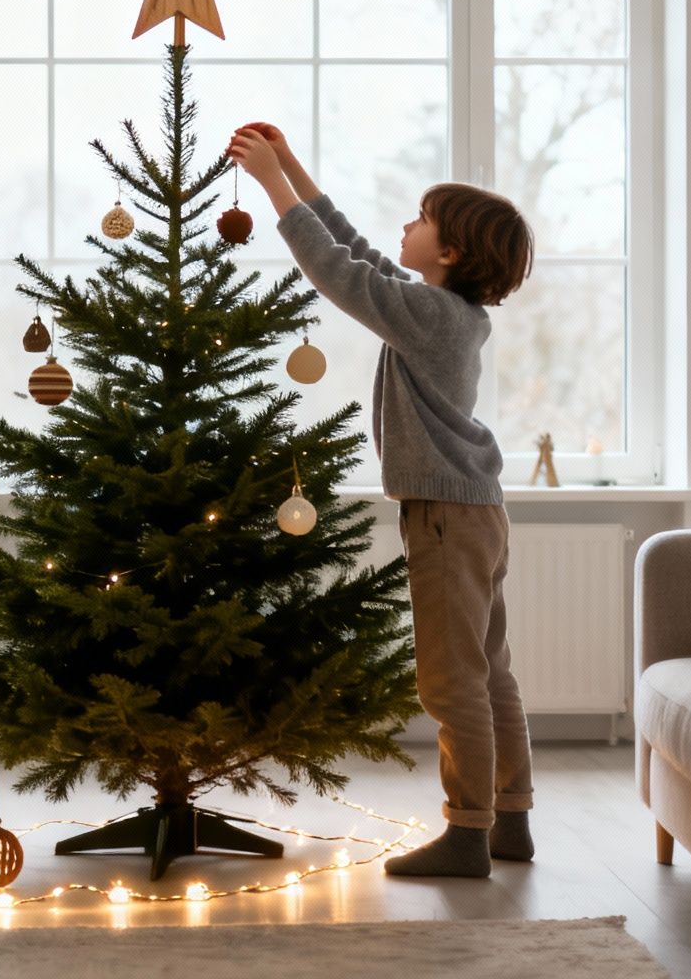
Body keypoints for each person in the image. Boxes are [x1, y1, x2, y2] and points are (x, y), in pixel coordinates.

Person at [228, 122, 537, 878]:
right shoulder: (443, 309)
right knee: (489, 668)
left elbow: (338, 273)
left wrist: (271, 187)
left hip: (445, 517)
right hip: (474, 510)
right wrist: (295, 168)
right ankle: (511, 818)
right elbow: (361, 255)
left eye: (421, 220)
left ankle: (467, 832)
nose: (405, 225)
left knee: (449, 677)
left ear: (451, 252)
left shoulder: (429, 316)